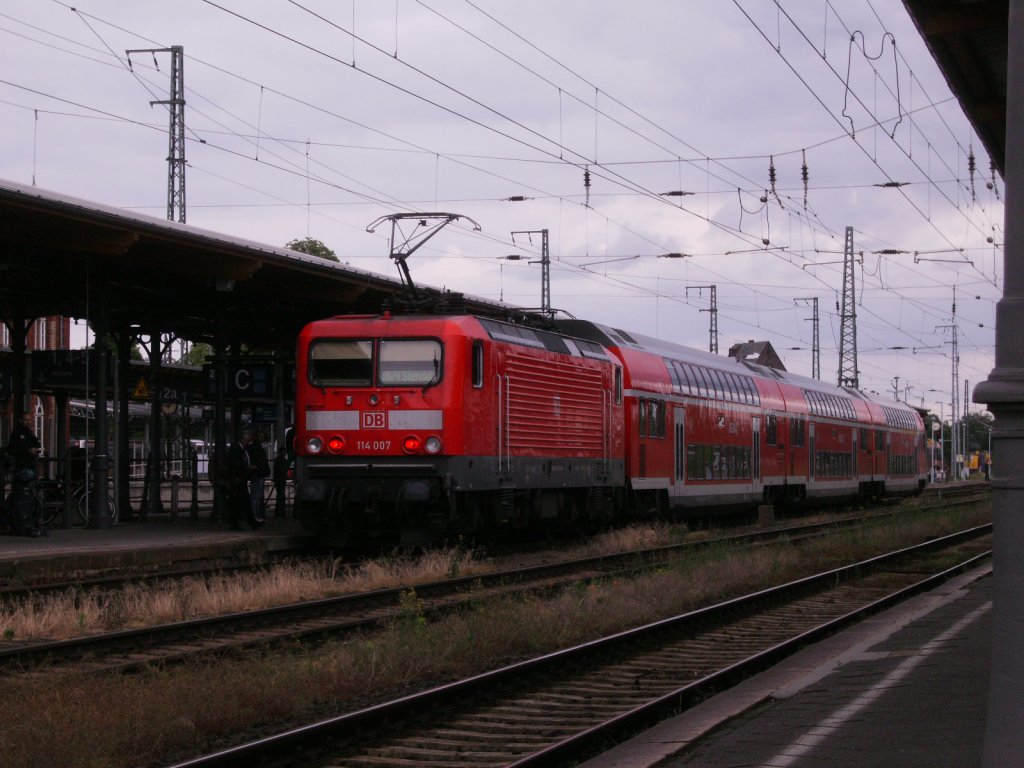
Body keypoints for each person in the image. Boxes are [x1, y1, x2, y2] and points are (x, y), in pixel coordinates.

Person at [7, 412, 44, 536]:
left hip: (31, 467)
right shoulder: (16, 435)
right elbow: (11, 449)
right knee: (27, 494)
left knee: (32, 496)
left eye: (30, 420)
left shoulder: (30, 433)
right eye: (26, 420)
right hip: (23, 468)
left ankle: (29, 521)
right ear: (20, 421)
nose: (29, 422)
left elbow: (38, 444)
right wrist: (27, 451)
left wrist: (34, 448)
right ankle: (25, 523)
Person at [226, 429, 261, 530]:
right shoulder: (236, 449)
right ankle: (245, 523)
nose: (249, 440)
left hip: (241, 480)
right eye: (248, 437)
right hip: (237, 480)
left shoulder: (243, 449)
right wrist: (247, 466)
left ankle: (251, 523)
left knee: (243, 503)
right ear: (243, 438)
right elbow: (233, 462)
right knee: (239, 503)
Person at [249, 430, 270, 524]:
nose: (262, 439)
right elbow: (262, 461)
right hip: (258, 473)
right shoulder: (258, 449)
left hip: (258, 473)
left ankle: (256, 514)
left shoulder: (254, 448)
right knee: (256, 496)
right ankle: (255, 514)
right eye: (260, 437)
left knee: (257, 496)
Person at [273, 446, 290, 517]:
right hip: (281, 479)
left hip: (279, 479)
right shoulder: (282, 460)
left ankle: (279, 512)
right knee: (281, 495)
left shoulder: (278, 460)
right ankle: (281, 512)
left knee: (280, 495)